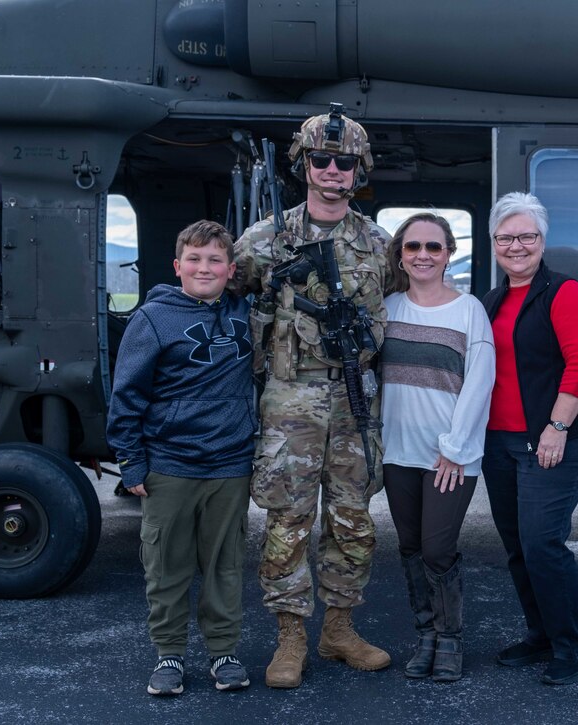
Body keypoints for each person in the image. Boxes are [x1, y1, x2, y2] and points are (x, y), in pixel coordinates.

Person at [229, 105, 392, 689]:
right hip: (289, 400)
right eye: (321, 159)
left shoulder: (378, 243)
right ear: (303, 165)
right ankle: (291, 637)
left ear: (358, 171)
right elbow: (219, 292)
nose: (332, 171)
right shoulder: (264, 239)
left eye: (344, 162)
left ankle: (339, 628)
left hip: (353, 400)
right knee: (287, 521)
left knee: (353, 521)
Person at [106, 219, 256, 696]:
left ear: (231, 269)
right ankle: (169, 655)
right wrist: (131, 461)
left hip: (230, 465)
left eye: (215, 260)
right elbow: (126, 395)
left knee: (224, 565)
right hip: (169, 465)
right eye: (194, 258)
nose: (204, 267)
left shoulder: (245, 316)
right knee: (166, 567)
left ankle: (223, 653)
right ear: (177, 266)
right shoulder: (151, 319)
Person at [480, 192, 578, 686]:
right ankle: (541, 634)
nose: (517, 245)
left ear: (542, 240)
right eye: (506, 237)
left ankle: (571, 646)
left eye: (526, 236)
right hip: (500, 444)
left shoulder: (565, 292)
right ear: (493, 243)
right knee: (516, 545)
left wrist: (556, 427)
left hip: (554, 441)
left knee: (543, 544)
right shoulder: (492, 300)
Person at [381, 212, 496, 682]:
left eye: (434, 247)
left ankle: (450, 638)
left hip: (448, 456)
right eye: (413, 247)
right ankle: (425, 635)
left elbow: (480, 383)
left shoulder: (469, 310)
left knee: (437, 548)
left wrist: (455, 448)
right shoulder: (387, 308)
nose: (423, 255)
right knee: (409, 546)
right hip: (397, 452)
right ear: (401, 257)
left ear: (449, 254)